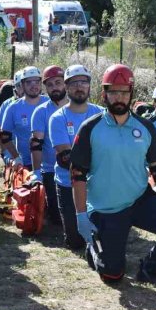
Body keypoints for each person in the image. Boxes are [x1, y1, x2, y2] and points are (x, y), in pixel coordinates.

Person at [70, 64, 156, 286]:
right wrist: (81, 215)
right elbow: (77, 175)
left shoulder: (145, 127)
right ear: (104, 94)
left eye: (124, 92)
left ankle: (149, 268)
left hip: (139, 199)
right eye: (113, 92)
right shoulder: (90, 128)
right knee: (113, 276)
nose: (119, 97)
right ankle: (94, 248)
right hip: (106, 208)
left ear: (131, 94)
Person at [49, 64, 102, 249]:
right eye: (74, 83)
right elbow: (66, 159)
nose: (79, 87)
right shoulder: (58, 118)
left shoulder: (102, 114)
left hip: (98, 183)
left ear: (89, 86)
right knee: (76, 242)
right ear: (66, 87)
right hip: (68, 183)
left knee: (102, 237)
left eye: (83, 82)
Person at [30, 65, 69, 228]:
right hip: (51, 171)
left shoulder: (81, 108)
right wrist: (36, 172)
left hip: (82, 169)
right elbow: (36, 144)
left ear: (66, 83)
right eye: (50, 85)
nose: (54, 88)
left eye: (58, 83)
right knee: (58, 220)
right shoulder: (41, 112)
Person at [1, 66, 44, 169]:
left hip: (49, 165)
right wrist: (16, 157)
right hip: (25, 164)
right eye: (29, 82)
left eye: (36, 82)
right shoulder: (13, 108)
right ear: (22, 85)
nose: (33, 86)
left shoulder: (50, 104)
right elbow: (4, 136)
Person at [0, 71, 25, 166]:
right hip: (13, 153)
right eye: (20, 86)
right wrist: (8, 156)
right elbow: (0, 133)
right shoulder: (7, 105)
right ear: (15, 87)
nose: (24, 89)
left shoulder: (42, 103)